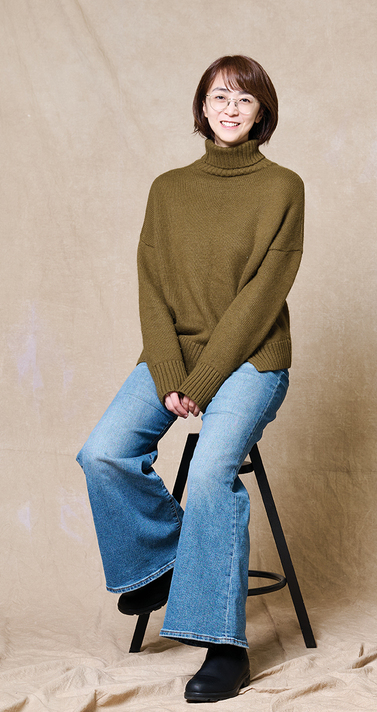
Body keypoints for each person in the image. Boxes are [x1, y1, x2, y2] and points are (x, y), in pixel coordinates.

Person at [76, 55, 303, 702]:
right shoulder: (167, 189)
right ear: (201, 107)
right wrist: (172, 371)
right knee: (103, 453)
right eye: (219, 96)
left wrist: (198, 382)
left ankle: (225, 648)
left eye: (245, 99)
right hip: (172, 355)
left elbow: (260, 300)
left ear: (262, 113)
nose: (231, 109)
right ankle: (164, 563)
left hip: (252, 359)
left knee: (207, 476)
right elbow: (150, 286)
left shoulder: (283, 187)